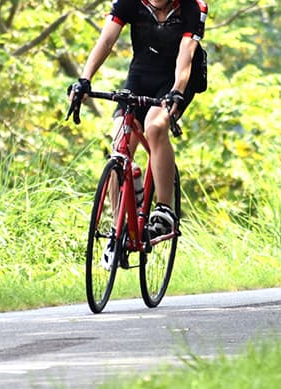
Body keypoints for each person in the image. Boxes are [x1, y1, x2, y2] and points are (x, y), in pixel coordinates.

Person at [68, 0, 208, 236]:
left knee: (155, 127)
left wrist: (176, 91)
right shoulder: (127, 2)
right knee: (119, 144)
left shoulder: (193, 6)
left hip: (176, 80)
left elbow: (186, 53)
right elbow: (106, 40)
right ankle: (117, 229)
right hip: (141, 74)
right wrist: (85, 79)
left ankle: (164, 210)